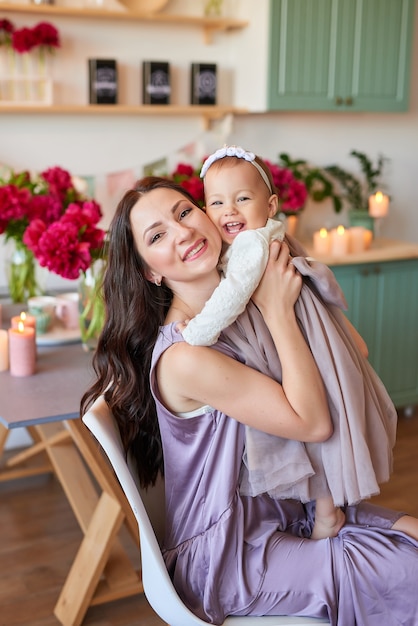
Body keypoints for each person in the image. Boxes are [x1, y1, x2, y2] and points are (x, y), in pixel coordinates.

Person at [81, 176, 418, 626]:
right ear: (150, 272)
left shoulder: (240, 309)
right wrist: (278, 310)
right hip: (230, 555)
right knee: (407, 570)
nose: (182, 232)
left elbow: (354, 352)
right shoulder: (186, 357)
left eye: (184, 212)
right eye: (157, 235)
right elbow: (314, 424)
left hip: (282, 509)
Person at [180, 145, 397, 540]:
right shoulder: (267, 236)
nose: (229, 210)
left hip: (295, 334)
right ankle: (329, 507)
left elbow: (232, 296)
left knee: (308, 413)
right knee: (326, 407)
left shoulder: (250, 246)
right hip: (308, 330)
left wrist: (196, 331)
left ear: (271, 204)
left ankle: (327, 512)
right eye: (216, 202)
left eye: (242, 199)